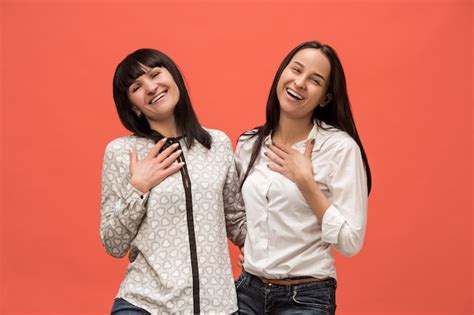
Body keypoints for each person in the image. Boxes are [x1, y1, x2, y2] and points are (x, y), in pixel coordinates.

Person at [100, 48, 246, 314]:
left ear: (174, 77)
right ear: (133, 105)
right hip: (145, 305)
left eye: (156, 74)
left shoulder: (217, 145)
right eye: (137, 87)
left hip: (217, 307)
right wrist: (139, 187)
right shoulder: (122, 153)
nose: (151, 87)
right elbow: (113, 243)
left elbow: (236, 221)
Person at [234, 41, 371, 314]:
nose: (299, 82)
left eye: (315, 80)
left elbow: (350, 241)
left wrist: (306, 182)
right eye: (295, 70)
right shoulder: (250, 144)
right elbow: (238, 214)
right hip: (248, 292)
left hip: (306, 296)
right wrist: (252, 246)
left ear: (325, 98)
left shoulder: (339, 149)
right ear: (281, 73)